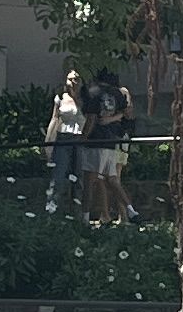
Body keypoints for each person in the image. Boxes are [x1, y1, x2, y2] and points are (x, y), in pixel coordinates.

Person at [78, 64, 134, 225]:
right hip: (112, 141)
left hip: (96, 141)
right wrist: (114, 118)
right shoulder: (117, 93)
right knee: (113, 179)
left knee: (90, 180)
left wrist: (84, 137)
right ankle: (131, 210)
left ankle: (85, 217)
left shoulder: (93, 92)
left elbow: (92, 118)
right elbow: (128, 113)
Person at [41, 69, 86, 215]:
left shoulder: (85, 99)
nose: (73, 82)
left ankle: (77, 214)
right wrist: (48, 143)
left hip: (79, 140)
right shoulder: (60, 97)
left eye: (76, 79)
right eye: (70, 79)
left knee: (78, 178)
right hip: (63, 139)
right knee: (58, 178)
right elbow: (54, 120)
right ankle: (51, 212)